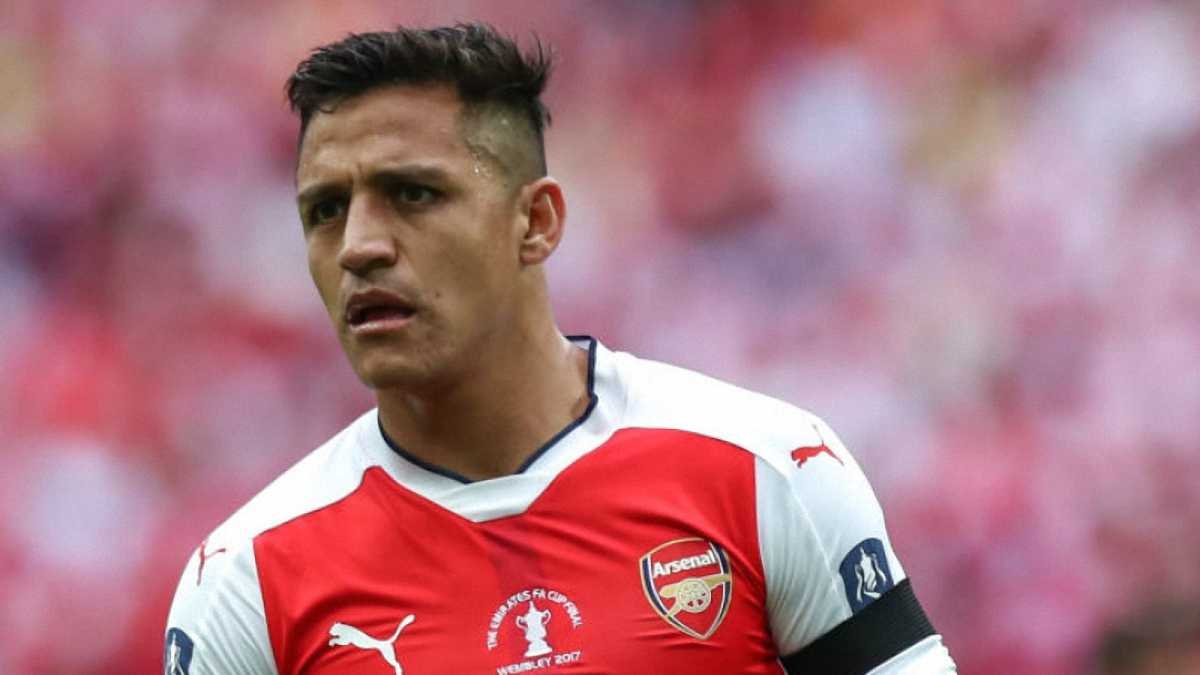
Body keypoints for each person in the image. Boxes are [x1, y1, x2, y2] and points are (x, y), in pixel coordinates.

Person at [165, 23, 957, 674]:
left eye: (413, 193)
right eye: (326, 210)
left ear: (536, 222)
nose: (359, 246)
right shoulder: (249, 582)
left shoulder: (764, 468)